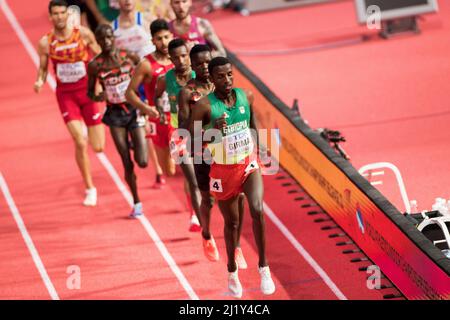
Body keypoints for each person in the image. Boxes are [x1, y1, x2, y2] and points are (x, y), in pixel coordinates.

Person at [189, 57, 275, 298]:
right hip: (223, 170)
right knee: (232, 224)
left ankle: (264, 267)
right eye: (220, 76)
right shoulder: (204, 106)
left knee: (257, 209)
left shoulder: (245, 96)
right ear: (212, 79)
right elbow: (192, 141)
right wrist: (213, 130)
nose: (226, 80)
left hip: (247, 164)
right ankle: (231, 270)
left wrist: (263, 147)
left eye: (229, 75)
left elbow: (253, 125)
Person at [178, 44, 247, 267]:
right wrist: (211, 129)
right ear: (193, 66)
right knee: (207, 199)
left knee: (240, 196)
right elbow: (186, 130)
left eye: (207, 62)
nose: (204, 67)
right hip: (204, 154)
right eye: (199, 63)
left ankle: (236, 247)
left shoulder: (225, 85)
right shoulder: (189, 93)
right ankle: (207, 234)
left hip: (229, 153)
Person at [34, 0, 105, 206]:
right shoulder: (46, 43)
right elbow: (43, 68)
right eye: (54, 13)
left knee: (98, 147)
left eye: (62, 13)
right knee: (80, 141)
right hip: (66, 96)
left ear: (68, 14)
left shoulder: (82, 34)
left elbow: (100, 56)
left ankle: (91, 144)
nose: (58, 17)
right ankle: (90, 188)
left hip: (87, 92)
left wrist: (99, 82)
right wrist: (39, 80)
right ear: (50, 17)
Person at [87, 24, 148, 217]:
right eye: (101, 40)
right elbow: (91, 93)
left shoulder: (128, 56)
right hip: (114, 115)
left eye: (108, 38)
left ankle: (134, 142)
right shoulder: (95, 65)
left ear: (114, 37)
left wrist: (143, 99)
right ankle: (137, 202)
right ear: (97, 42)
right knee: (127, 162)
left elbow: (145, 75)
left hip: (133, 110)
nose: (106, 42)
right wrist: (100, 96)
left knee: (143, 161)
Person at [154, 38, 202, 232]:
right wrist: (159, 111)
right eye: (176, 58)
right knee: (191, 178)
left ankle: (202, 207)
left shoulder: (199, 76)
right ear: (170, 59)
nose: (181, 60)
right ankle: (195, 216)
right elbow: (157, 96)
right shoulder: (165, 79)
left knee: (204, 177)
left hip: (201, 131)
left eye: (184, 56)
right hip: (178, 133)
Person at [125, 19, 175, 189]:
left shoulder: (181, 58)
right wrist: (147, 109)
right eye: (159, 38)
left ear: (172, 36)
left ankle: (194, 214)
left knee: (191, 167)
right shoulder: (146, 64)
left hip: (180, 118)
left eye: (166, 37)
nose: (164, 42)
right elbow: (129, 93)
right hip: (159, 120)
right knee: (170, 171)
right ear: (152, 41)